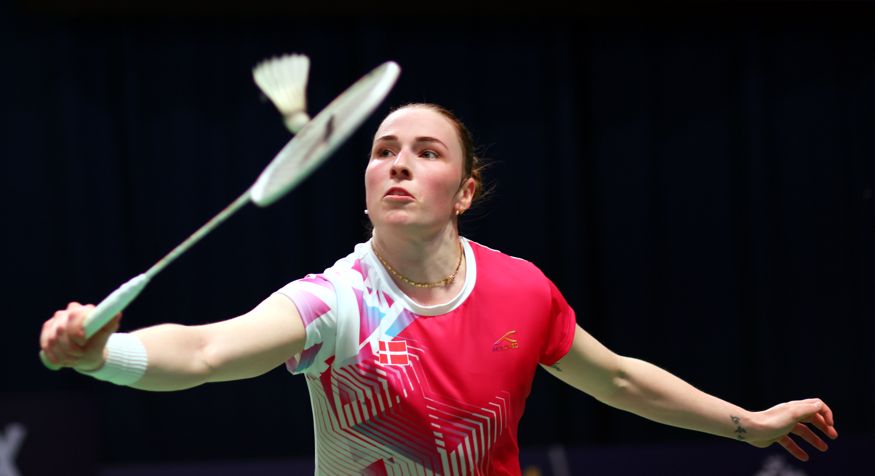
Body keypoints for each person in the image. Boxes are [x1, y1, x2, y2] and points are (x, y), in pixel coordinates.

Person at [40, 103, 838, 475]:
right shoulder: (336, 303)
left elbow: (619, 377)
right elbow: (210, 350)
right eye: (384, 149)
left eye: (425, 152)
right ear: (363, 187)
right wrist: (107, 354)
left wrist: (747, 425)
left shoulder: (521, 290)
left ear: (462, 191)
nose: (398, 162)